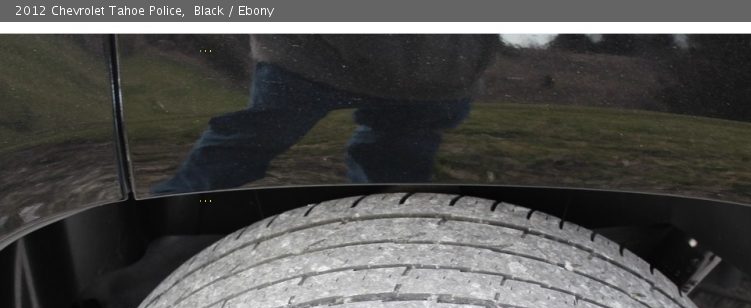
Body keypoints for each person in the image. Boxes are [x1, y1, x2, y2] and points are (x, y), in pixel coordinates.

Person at [151, 34, 500, 194]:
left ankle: (385, 225)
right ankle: (176, 216)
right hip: (311, 53)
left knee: (398, 155)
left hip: (432, 66)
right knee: (250, 141)